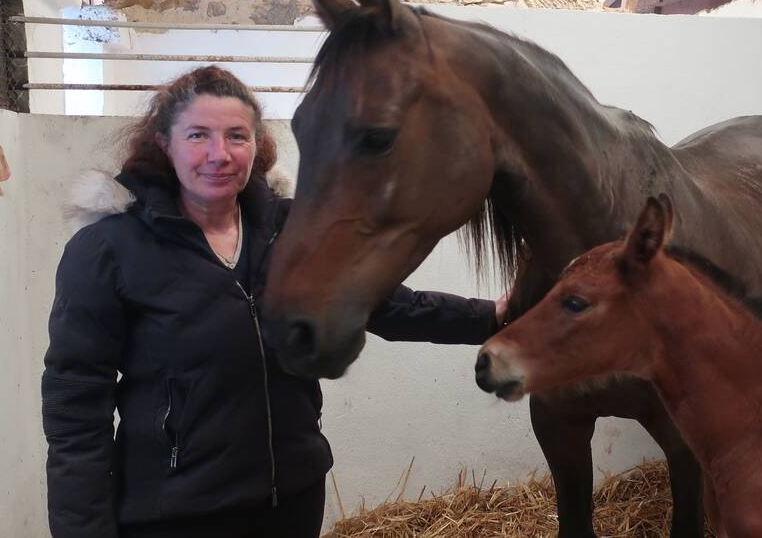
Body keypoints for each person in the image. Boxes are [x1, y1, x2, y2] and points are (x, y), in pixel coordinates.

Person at [41, 66, 502, 538]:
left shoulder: (294, 228)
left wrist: (496, 316)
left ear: (257, 145)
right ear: (164, 142)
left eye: (237, 136)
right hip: (176, 512)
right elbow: (75, 401)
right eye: (198, 135)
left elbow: (383, 305)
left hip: (292, 498)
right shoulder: (109, 249)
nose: (219, 155)